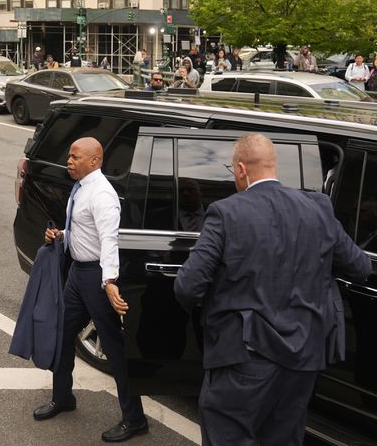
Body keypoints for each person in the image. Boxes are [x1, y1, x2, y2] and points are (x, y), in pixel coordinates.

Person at [174, 134, 371, 446]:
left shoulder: (225, 213)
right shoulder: (318, 208)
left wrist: (217, 311)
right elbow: (360, 267)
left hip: (244, 355)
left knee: (228, 435)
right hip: (305, 355)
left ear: (240, 169)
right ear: (273, 166)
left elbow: (187, 286)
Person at [33, 138, 147, 443]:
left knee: (114, 349)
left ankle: (135, 419)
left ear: (94, 161)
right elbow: (85, 230)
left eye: (75, 157)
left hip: (96, 276)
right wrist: (61, 234)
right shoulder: (82, 186)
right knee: (63, 333)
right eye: (69, 155)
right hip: (77, 274)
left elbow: (109, 239)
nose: (69, 161)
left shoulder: (102, 195)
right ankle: (63, 397)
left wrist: (109, 282)